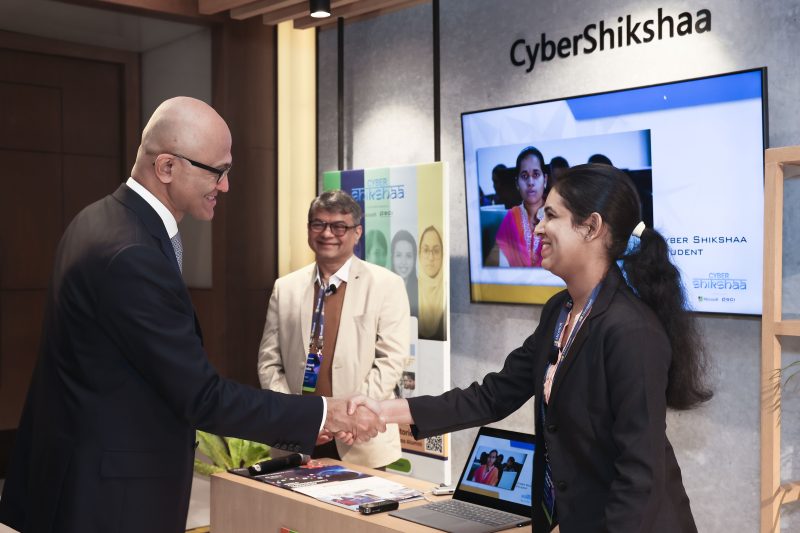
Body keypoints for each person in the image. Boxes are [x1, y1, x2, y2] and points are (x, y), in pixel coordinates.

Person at [0, 97, 381, 533]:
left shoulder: (98, 219)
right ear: (166, 167)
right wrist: (321, 414)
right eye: (217, 171)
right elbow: (201, 396)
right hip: (108, 497)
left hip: (80, 474)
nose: (224, 186)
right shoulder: (131, 253)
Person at [358, 163, 713, 532]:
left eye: (551, 216)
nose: (538, 227)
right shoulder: (559, 311)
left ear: (591, 227)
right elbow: (492, 396)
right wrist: (384, 410)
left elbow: (640, 472)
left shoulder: (631, 329)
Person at [257, 189, 408, 468]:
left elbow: (391, 361)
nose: (327, 233)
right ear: (309, 229)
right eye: (319, 224)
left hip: (359, 436)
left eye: (339, 226)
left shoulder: (386, 285)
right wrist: (295, 416)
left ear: (357, 232)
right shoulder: (285, 287)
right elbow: (269, 362)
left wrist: (349, 416)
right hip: (298, 437)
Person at [495, 146, 549, 267]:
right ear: (517, 183)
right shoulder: (510, 219)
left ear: (544, 180)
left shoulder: (556, 217)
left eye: (536, 175)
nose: (530, 182)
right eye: (524, 176)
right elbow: (503, 268)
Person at [418, 225, 445, 340]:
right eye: (426, 250)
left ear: (443, 254)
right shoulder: (408, 289)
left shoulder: (449, 292)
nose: (431, 257)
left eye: (436, 250)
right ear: (419, 254)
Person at [391, 230, 419, 316]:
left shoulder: (422, 292)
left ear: (414, 259)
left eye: (408, 256)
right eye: (399, 255)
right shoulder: (383, 289)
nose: (403, 262)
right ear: (392, 258)